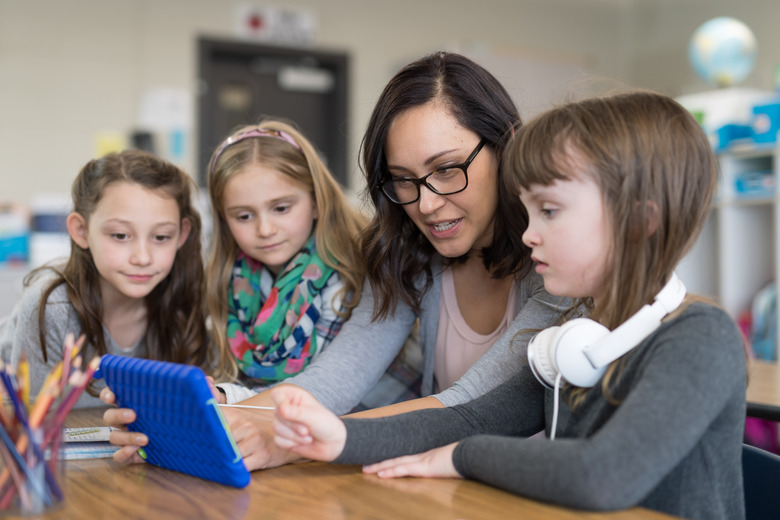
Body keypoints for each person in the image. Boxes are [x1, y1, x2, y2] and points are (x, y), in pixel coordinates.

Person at [271, 91, 747, 520]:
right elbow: (469, 417)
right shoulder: (575, 343)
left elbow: (601, 475)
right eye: (529, 209)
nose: (527, 233)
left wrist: (461, 458)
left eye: (550, 211)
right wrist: (337, 437)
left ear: (639, 220)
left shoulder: (699, 337)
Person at [103, 51, 564, 469]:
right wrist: (206, 410)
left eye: (446, 169)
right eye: (403, 180)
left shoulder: (556, 265)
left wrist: (292, 436)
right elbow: (334, 379)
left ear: (505, 145)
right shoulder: (414, 261)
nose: (425, 204)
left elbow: (470, 405)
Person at [0, 149, 209, 408]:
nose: (142, 257)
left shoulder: (186, 303)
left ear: (182, 234)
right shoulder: (51, 309)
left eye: (161, 237)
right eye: (121, 235)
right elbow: (38, 431)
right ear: (81, 230)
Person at [203, 119, 366, 402]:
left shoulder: (348, 278)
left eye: (281, 208)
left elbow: (325, 390)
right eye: (244, 216)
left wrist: (227, 396)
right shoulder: (230, 281)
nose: (265, 230)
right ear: (223, 219)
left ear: (316, 202)